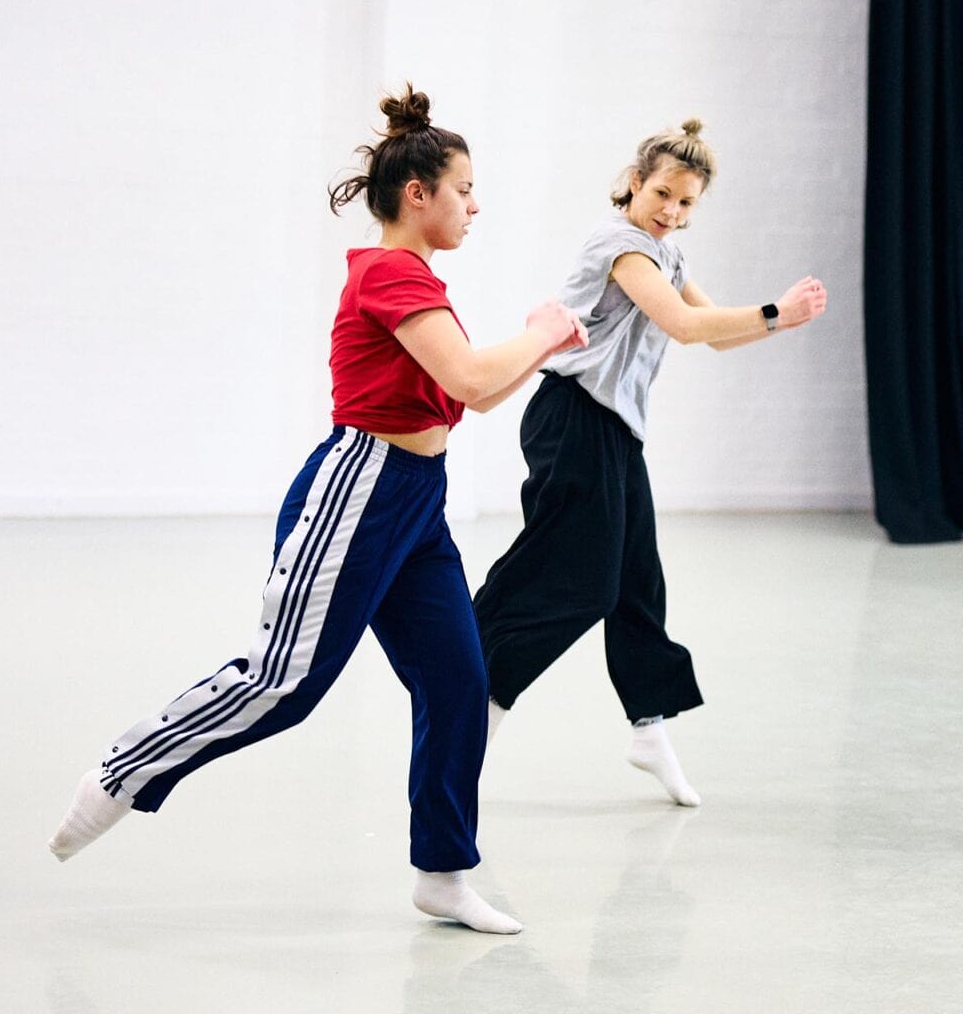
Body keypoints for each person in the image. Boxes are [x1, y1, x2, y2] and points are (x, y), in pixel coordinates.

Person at [47, 85, 587, 935]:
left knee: (457, 682)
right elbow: (476, 381)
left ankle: (443, 872)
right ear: (419, 194)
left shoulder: (417, 277)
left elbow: (471, 393)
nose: (476, 205)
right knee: (283, 683)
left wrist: (541, 343)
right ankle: (123, 773)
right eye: (465, 189)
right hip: (361, 491)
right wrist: (546, 333)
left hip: (416, 502)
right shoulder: (389, 273)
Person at [473, 119, 827, 807]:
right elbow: (687, 326)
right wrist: (776, 312)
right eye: (663, 193)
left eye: (687, 203)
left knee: (636, 583)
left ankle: (649, 727)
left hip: (613, 431)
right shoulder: (620, 246)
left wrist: (779, 319)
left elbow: (715, 333)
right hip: (571, 419)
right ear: (635, 182)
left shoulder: (670, 258)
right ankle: (479, 700)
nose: (671, 211)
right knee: (577, 580)